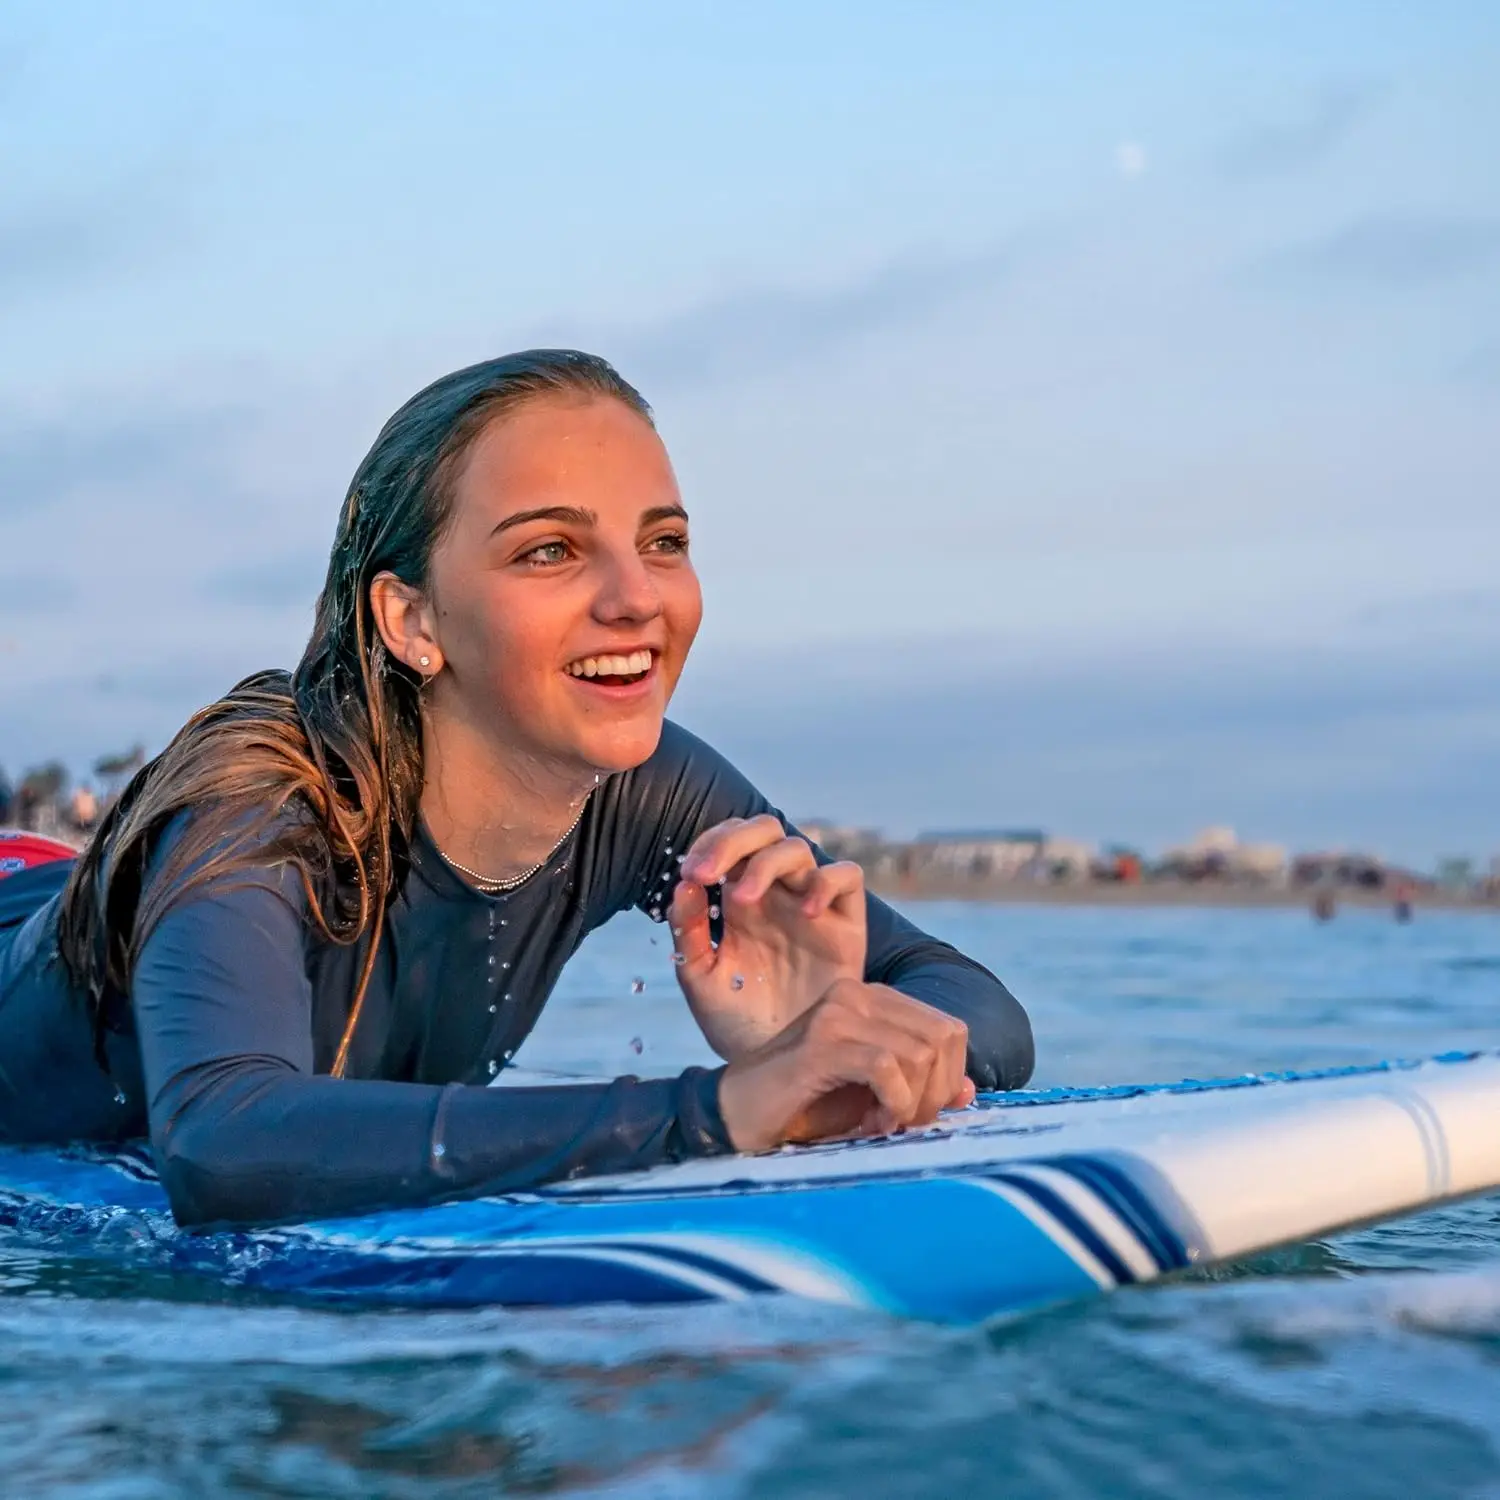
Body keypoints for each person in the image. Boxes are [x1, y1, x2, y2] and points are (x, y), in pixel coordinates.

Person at [0, 351, 1033, 1230]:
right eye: (551, 550)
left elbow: (971, 1001)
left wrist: (831, 1036)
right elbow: (223, 1145)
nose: (636, 598)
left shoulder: (642, 785)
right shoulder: (259, 808)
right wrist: (719, 1111)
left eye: (663, 542)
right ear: (412, 621)